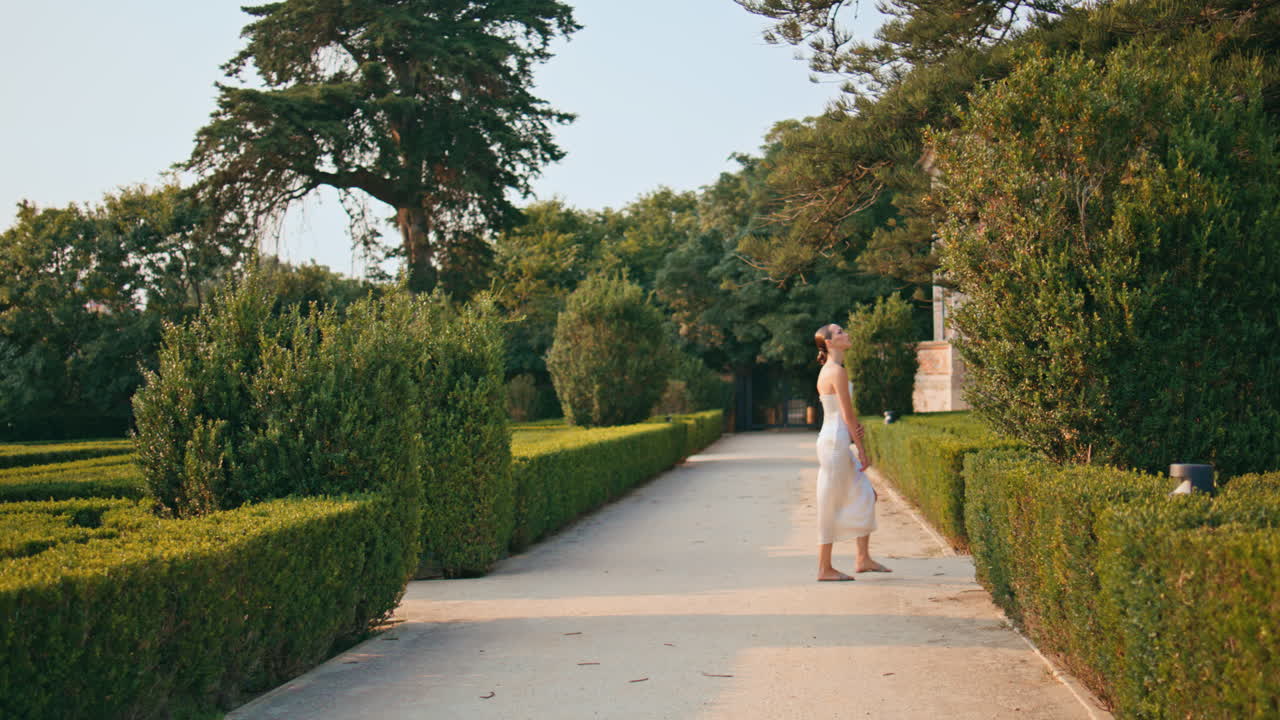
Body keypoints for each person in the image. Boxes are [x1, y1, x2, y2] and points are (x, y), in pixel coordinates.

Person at [812, 323, 891, 581]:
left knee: (866, 494)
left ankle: (863, 558)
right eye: (839, 333)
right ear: (829, 343)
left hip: (833, 441)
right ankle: (825, 568)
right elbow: (848, 415)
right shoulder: (836, 371)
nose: (845, 334)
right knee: (831, 504)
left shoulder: (829, 370)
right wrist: (863, 450)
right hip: (835, 443)